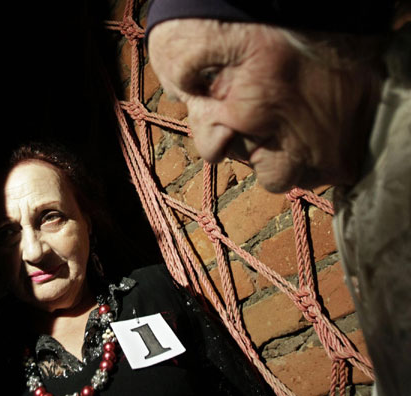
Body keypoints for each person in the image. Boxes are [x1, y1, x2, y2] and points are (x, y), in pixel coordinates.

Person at [145, 1, 411, 395]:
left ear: (325, 31)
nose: (208, 145)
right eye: (186, 104)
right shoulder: (363, 197)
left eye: (212, 75)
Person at [0, 142, 274, 395]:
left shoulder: (155, 293)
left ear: (87, 222)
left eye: (51, 217)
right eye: (7, 233)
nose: (34, 251)